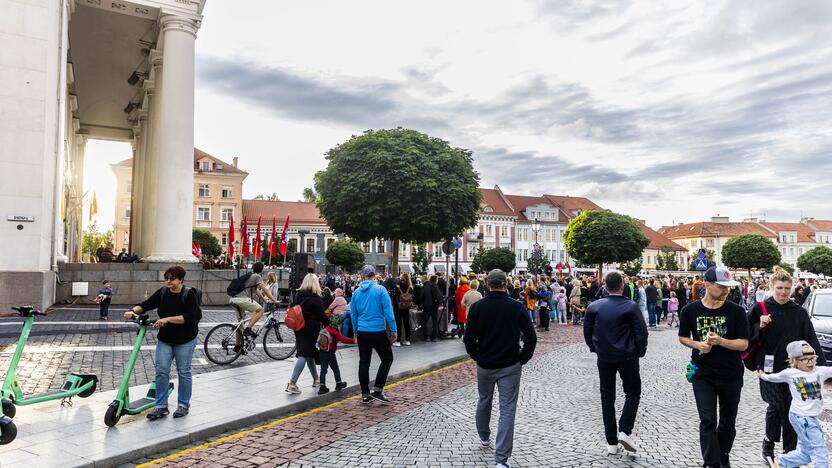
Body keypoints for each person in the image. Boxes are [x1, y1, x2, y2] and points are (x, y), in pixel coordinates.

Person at [747, 266, 826, 463]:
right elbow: (745, 334)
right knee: (777, 406)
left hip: (795, 369)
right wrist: (759, 325)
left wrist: (822, 370)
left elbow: (811, 340)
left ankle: (790, 448)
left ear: (791, 289)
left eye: (786, 288)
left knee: (792, 406)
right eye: (779, 288)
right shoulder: (760, 308)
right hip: (767, 367)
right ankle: (769, 444)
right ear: (772, 287)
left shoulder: (798, 312)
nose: (783, 292)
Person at [464, 269, 537, 468]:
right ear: (505, 284)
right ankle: (501, 459)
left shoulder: (478, 307)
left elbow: (468, 337)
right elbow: (531, 336)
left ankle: (484, 436)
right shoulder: (516, 307)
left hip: (485, 363)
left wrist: (476, 355)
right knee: (507, 409)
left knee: (484, 399)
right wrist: (522, 358)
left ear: (487, 284)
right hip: (510, 363)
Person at [678, 266, 749, 468]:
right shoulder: (689, 310)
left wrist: (720, 341)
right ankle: (711, 463)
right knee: (707, 419)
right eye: (721, 286)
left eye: (728, 287)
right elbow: (683, 337)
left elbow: (743, 344)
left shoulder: (736, 311)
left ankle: (723, 454)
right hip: (702, 373)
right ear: (707, 284)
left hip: (731, 373)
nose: (726, 291)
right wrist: (697, 344)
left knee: (728, 423)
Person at [583, 271, 648, 456]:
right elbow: (641, 333)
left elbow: (587, 332)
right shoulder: (630, 306)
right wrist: (640, 351)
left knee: (607, 397)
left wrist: (594, 348)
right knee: (633, 393)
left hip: (605, 357)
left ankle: (611, 442)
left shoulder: (594, 307)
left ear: (604, 286)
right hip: (627, 356)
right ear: (622, 286)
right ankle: (624, 431)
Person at [124, 265, 199, 419]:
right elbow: (146, 304)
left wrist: (166, 319)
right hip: (165, 338)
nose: (168, 281)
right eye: (166, 278)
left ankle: (183, 405)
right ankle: (161, 406)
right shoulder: (164, 292)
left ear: (181, 279)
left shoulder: (189, 294)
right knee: (161, 371)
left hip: (185, 338)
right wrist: (133, 311)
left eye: (172, 278)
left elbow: (190, 318)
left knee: (183, 372)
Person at [758, 341, 832, 468]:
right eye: (805, 360)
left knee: (806, 454)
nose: (810, 362)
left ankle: (781, 462)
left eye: (812, 359)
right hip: (800, 418)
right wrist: (763, 375)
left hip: (811, 417)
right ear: (795, 361)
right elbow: (773, 377)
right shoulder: (790, 373)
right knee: (820, 451)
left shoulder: (820, 371)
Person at [350, 265, 397, 404]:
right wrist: (393, 329)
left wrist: (355, 331)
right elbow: (389, 311)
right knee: (387, 358)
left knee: (364, 362)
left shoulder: (356, 293)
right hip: (377, 330)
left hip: (363, 331)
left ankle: (365, 394)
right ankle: (378, 389)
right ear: (374, 275)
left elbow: (353, 314)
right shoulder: (380, 289)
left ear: (363, 276)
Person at [285, 273, 329, 395]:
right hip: (311, 328)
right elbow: (323, 317)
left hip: (299, 327)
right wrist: (330, 325)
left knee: (309, 353)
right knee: (304, 354)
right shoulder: (316, 299)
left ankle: (316, 379)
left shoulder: (298, 295)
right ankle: (292, 383)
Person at [229, 262, 279, 337]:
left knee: (241, 324)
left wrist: (265, 301)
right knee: (261, 310)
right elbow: (265, 290)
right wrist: (275, 300)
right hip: (242, 299)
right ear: (261, 270)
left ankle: (238, 346)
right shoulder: (257, 276)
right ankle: (248, 329)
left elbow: (257, 291)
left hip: (233, 299)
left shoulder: (250, 275)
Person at [317, 315, 355, 395]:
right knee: (335, 368)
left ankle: (322, 387)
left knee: (323, 369)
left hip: (322, 352)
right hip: (330, 353)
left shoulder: (325, 329)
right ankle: (338, 383)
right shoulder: (335, 332)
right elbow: (343, 339)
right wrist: (353, 341)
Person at [393, 273, 414, 346]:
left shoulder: (397, 286)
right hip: (406, 307)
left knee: (398, 324)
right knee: (406, 323)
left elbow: (394, 296)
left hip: (398, 307)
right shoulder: (410, 287)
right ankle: (407, 340)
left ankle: (398, 341)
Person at [421, 275, 443, 342]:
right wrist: (439, 303)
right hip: (434, 306)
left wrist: (420, 304)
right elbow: (439, 296)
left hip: (427, 306)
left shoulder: (425, 286)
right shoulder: (434, 285)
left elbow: (421, 296)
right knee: (435, 321)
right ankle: (434, 337)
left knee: (424, 321)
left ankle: (426, 336)